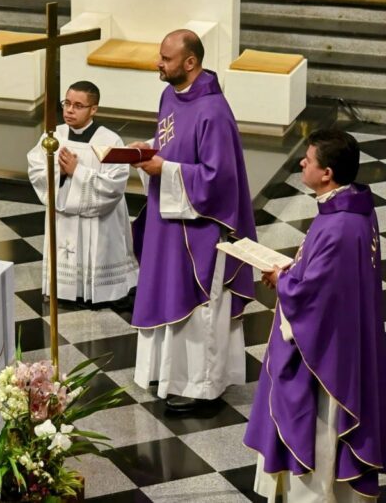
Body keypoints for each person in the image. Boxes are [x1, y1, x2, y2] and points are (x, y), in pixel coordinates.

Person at [244, 129, 386, 501]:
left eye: (308, 160)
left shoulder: (340, 225)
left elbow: (316, 297)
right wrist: (294, 269)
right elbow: (329, 277)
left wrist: (283, 280)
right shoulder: (354, 207)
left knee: (320, 428)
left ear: (327, 173)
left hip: (327, 356)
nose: (302, 163)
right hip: (344, 338)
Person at [129, 28, 256, 412]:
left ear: (190, 62)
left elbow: (219, 180)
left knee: (199, 303)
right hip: (168, 221)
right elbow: (169, 145)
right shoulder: (170, 94)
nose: (158, 64)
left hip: (199, 227)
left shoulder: (213, 112)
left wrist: (164, 169)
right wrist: (146, 152)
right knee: (165, 290)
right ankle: (167, 374)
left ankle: (201, 387)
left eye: (166, 59)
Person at [27, 81, 137, 305]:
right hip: (63, 216)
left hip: (100, 223)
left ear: (93, 109)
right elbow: (36, 170)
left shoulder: (110, 141)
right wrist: (61, 172)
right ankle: (64, 290)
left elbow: (114, 185)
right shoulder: (53, 136)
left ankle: (102, 293)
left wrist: (78, 171)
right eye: (66, 103)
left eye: (78, 105)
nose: (69, 110)